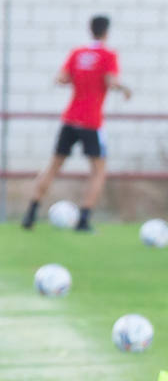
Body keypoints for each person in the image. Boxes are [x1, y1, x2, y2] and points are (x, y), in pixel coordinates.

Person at [20, 15, 130, 233]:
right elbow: (111, 81)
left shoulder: (78, 53)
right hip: (92, 121)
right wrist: (124, 89)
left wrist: (79, 78)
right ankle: (83, 219)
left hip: (70, 118)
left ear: (90, 30)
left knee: (53, 165)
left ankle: (31, 212)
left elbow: (60, 78)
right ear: (106, 32)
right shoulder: (108, 55)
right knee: (98, 171)